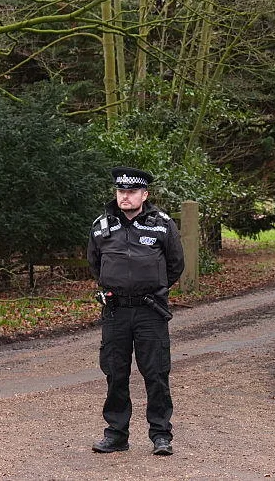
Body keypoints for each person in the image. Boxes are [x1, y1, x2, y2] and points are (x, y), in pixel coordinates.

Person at [87, 166, 184, 456]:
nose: (124, 197)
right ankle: (116, 435)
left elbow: (175, 266)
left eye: (131, 192)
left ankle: (160, 435)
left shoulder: (162, 225)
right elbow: (95, 264)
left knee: (155, 373)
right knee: (115, 373)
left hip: (149, 311)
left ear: (145, 194)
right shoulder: (102, 226)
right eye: (120, 192)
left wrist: (152, 287)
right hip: (115, 311)